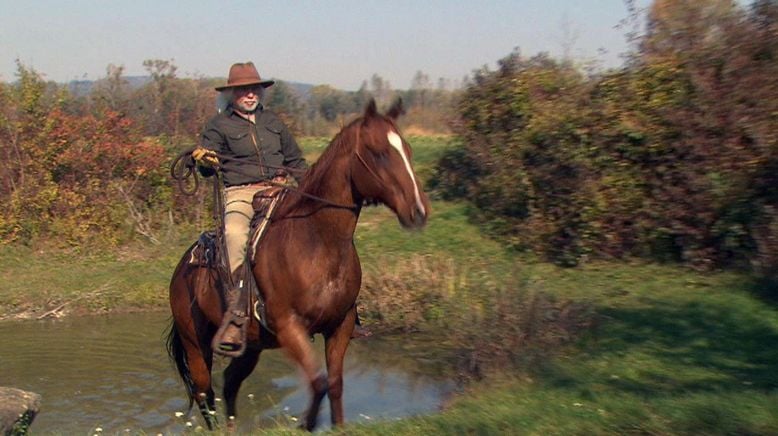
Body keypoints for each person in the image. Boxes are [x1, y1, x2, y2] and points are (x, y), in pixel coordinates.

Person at [192, 62, 308, 356]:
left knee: (320, 227)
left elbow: (295, 159)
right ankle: (236, 313)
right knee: (233, 234)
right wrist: (204, 161)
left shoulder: (273, 121)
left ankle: (344, 309)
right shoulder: (218, 126)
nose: (249, 94)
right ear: (231, 94)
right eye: (243, 90)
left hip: (280, 190)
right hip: (242, 193)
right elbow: (207, 169)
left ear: (260, 91)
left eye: (253, 88)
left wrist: (309, 187)